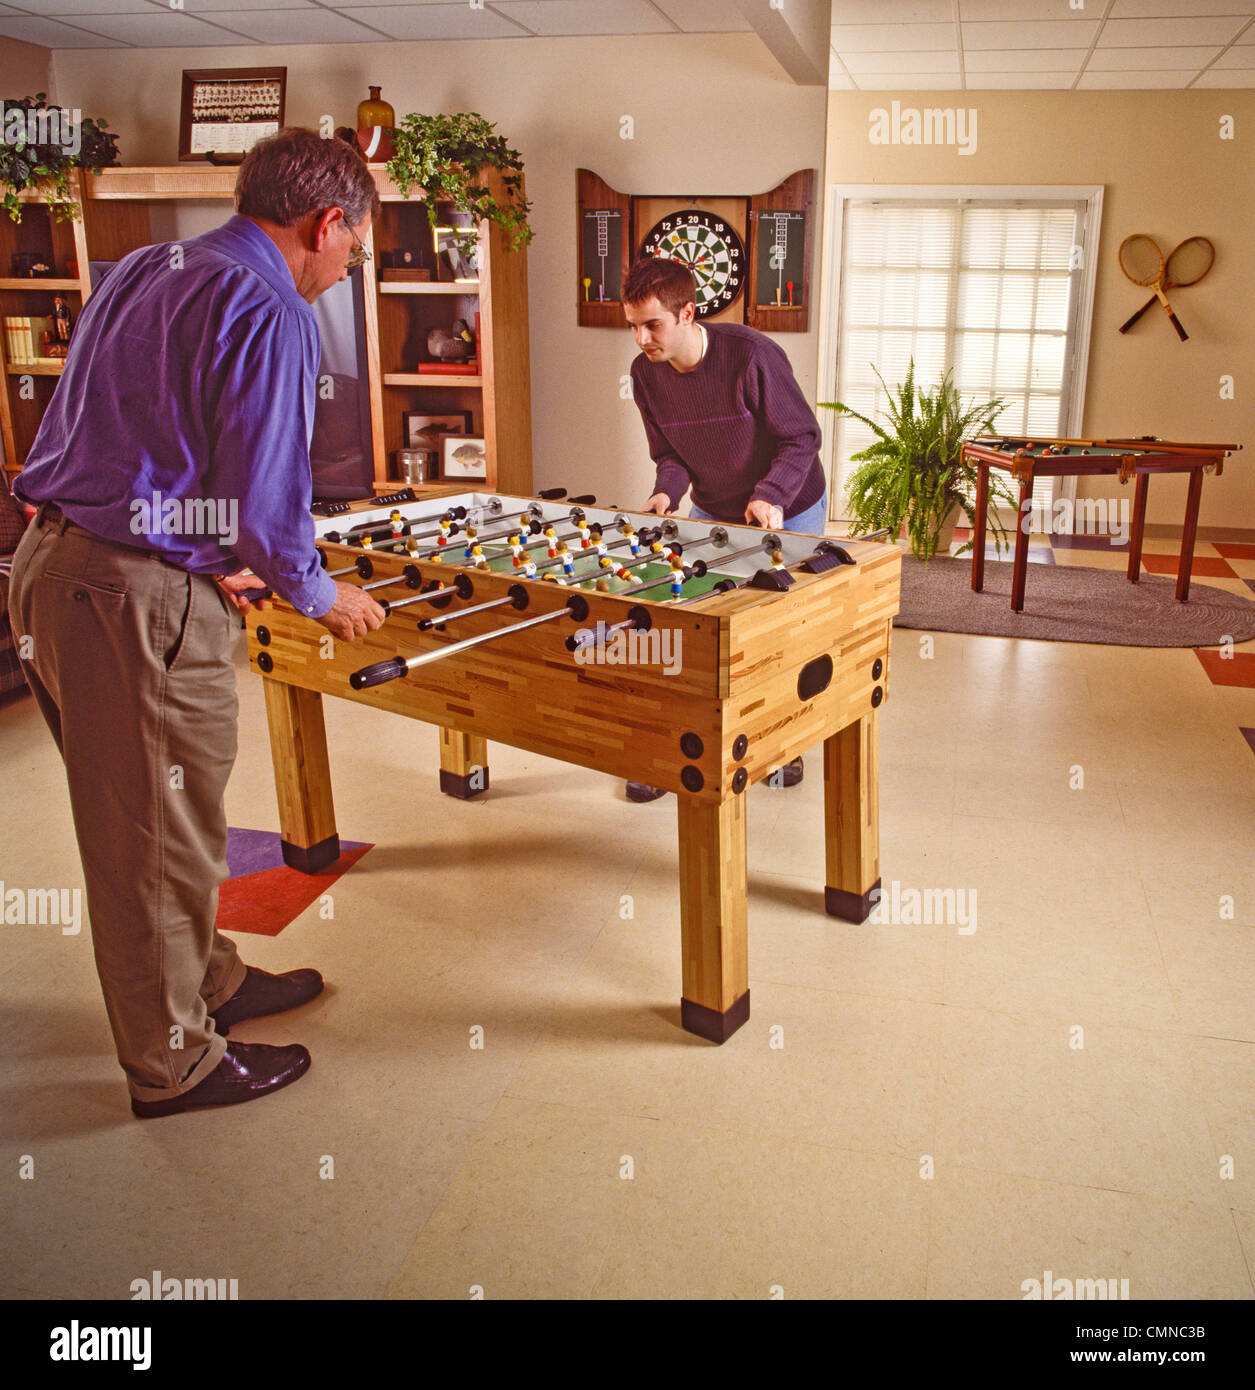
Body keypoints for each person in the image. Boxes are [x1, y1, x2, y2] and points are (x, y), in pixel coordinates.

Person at [9, 129, 386, 1118]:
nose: (351, 265)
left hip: (50, 567)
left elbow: (138, 435)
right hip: (130, 597)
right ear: (328, 222)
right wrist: (320, 594)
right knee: (150, 841)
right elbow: (266, 509)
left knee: (158, 819)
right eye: (358, 246)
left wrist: (215, 559)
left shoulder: (146, 264)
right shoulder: (273, 306)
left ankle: (210, 979)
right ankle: (177, 1063)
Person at [621, 256, 828, 802]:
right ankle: (676, 750)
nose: (642, 338)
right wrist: (667, 491)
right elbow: (670, 454)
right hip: (712, 510)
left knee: (780, 632)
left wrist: (770, 495)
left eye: (652, 324)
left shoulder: (752, 355)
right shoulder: (646, 375)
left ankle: (783, 742)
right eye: (633, 325)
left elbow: (802, 438)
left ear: (687, 312)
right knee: (693, 630)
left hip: (792, 504)